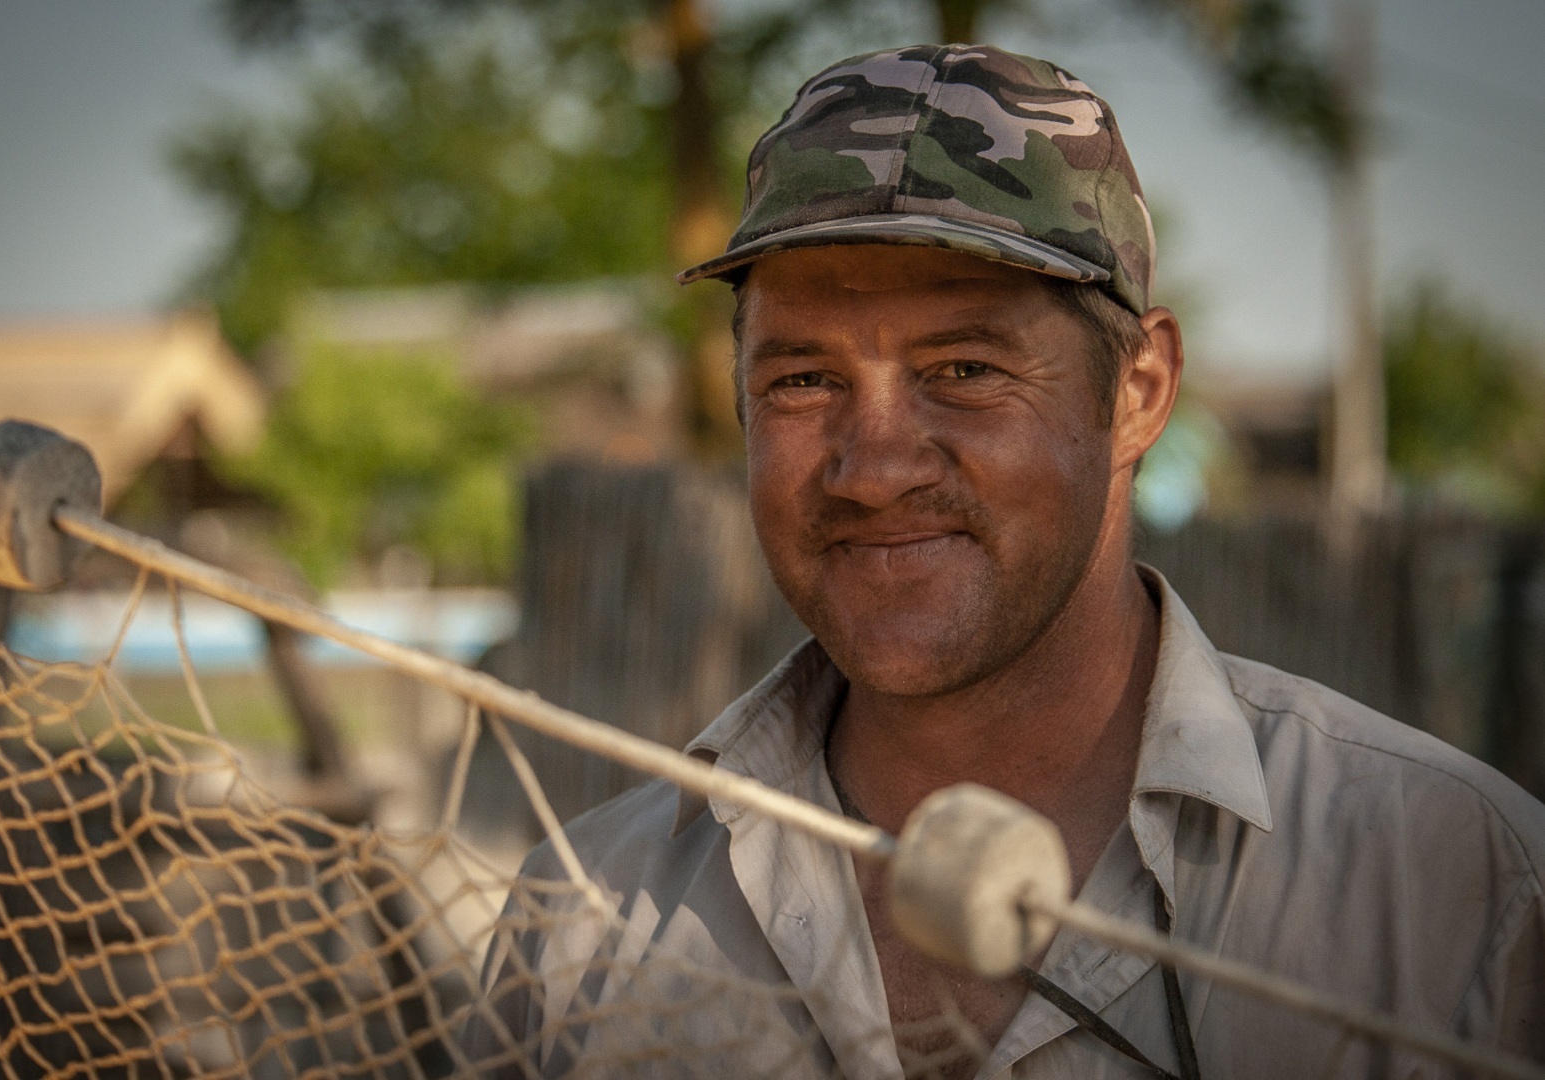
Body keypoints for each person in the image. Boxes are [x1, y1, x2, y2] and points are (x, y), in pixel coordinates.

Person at [471, 44, 1545, 1079]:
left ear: (1136, 393)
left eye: (966, 367)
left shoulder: (1451, 888)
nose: (873, 467)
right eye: (801, 380)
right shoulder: (587, 923)